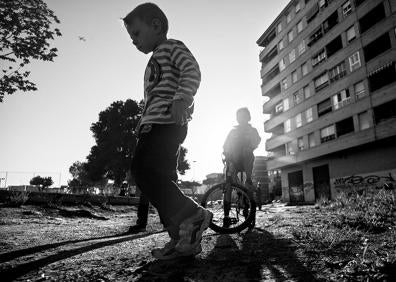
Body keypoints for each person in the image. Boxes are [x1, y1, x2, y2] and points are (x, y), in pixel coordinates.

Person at [123, 3, 212, 260]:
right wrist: (141, 124)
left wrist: (182, 98)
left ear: (156, 25)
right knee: (161, 180)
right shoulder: (155, 58)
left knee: (144, 172)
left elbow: (191, 70)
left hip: (167, 124)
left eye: (137, 34)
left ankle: (192, 214)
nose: (134, 42)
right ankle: (183, 236)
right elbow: (153, 98)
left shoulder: (172, 47)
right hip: (153, 125)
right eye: (132, 38)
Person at [223, 107, 261, 186]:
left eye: (244, 116)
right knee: (229, 177)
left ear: (248, 117)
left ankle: (248, 180)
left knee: (247, 152)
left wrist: (250, 147)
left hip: (246, 159)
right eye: (239, 117)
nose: (241, 119)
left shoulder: (252, 130)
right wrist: (226, 154)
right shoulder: (233, 132)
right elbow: (226, 145)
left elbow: (257, 140)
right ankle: (234, 189)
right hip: (233, 159)